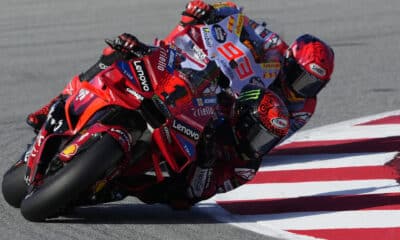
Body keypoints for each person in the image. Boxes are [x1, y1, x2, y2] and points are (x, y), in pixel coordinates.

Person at [25, 1, 334, 209]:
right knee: (120, 50)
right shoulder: (273, 55)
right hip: (199, 81)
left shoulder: (249, 164)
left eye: (312, 84)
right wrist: (209, 12)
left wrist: (209, 160)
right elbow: (238, 22)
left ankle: (119, 183)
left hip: (190, 163)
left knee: (179, 197)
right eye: (302, 78)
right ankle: (56, 104)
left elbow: (201, 192)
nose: (302, 87)